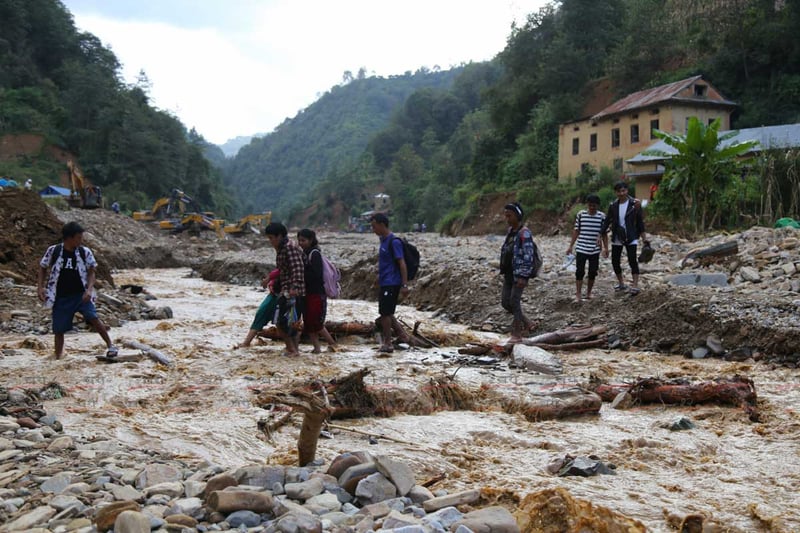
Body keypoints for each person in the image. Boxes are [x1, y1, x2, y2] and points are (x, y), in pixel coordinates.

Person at [37, 222, 118, 359]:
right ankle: (58, 357)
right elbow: (42, 267)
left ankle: (111, 345)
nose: (81, 240)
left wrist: (89, 290)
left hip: (81, 295)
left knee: (93, 318)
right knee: (58, 329)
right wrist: (40, 287)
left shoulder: (84, 252)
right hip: (60, 296)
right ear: (69, 238)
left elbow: (91, 272)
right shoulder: (54, 251)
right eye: (79, 237)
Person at [369, 213, 412, 354]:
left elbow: (402, 263)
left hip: (392, 282)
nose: (373, 230)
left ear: (382, 225)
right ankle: (402, 335)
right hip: (385, 281)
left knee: (385, 313)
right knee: (387, 311)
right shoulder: (383, 241)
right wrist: (379, 278)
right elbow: (386, 263)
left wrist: (404, 285)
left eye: (374, 226)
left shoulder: (394, 242)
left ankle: (388, 343)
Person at [264, 222, 306, 357]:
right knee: (290, 321)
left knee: (282, 322)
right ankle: (293, 349)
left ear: (280, 236)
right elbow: (284, 270)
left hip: (292, 291)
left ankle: (292, 350)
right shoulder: (283, 248)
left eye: (271, 238)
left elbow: (297, 268)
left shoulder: (289, 248)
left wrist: (294, 287)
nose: (270, 241)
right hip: (287, 289)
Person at [601, 181, 647, 295]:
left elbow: (640, 222)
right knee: (615, 261)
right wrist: (600, 234)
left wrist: (644, 238)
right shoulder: (613, 206)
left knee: (632, 260)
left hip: (631, 235)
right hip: (617, 236)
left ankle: (635, 285)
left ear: (627, 191)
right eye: (619, 191)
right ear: (615, 192)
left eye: (623, 191)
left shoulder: (634, 204)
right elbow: (607, 221)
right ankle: (621, 283)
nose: (621, 193)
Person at [499, 203, 536, 343]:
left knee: (514, 301)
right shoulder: (510, 231)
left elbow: (528, 255)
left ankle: (517, 333)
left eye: (509, 216)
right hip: (508, 273)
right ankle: (528, 322)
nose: (507, 219)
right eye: (506, 216)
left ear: (517, 216)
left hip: (519, 274)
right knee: (505, 302)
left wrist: (523, 276)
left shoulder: (524, 233)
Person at [297, 229, 338, 353]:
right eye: (299, 240)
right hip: (308, 293)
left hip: (316, 294)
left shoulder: (314, 254)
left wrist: (302, 273)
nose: (300, 243)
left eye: (303, 240)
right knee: (309, 322)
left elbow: (316, 275)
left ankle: (333, 344)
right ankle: (317, 348)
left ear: (311, 240)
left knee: (316, 322)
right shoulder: (305, 253)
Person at [566, 194, 609, 302]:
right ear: (587, 205)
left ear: (598, 205)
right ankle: (578, 294)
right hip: (581, 247)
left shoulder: (602, 216)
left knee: (593, 271)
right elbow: (576, 231)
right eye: (590, 205)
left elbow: (604, 234)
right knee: (579, 271)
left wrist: (606, 248)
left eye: (594, 206)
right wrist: (570, 246)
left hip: (595, 249)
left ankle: (589, 293)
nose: (592, 207)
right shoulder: (581, 215)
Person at [236, 269, 280, 349]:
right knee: (280, 321)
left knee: (262, 314)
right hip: (276, 293)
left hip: (279, 294)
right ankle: (292, 347)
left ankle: (292, 348)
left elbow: (282, 269)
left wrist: (268, 278)